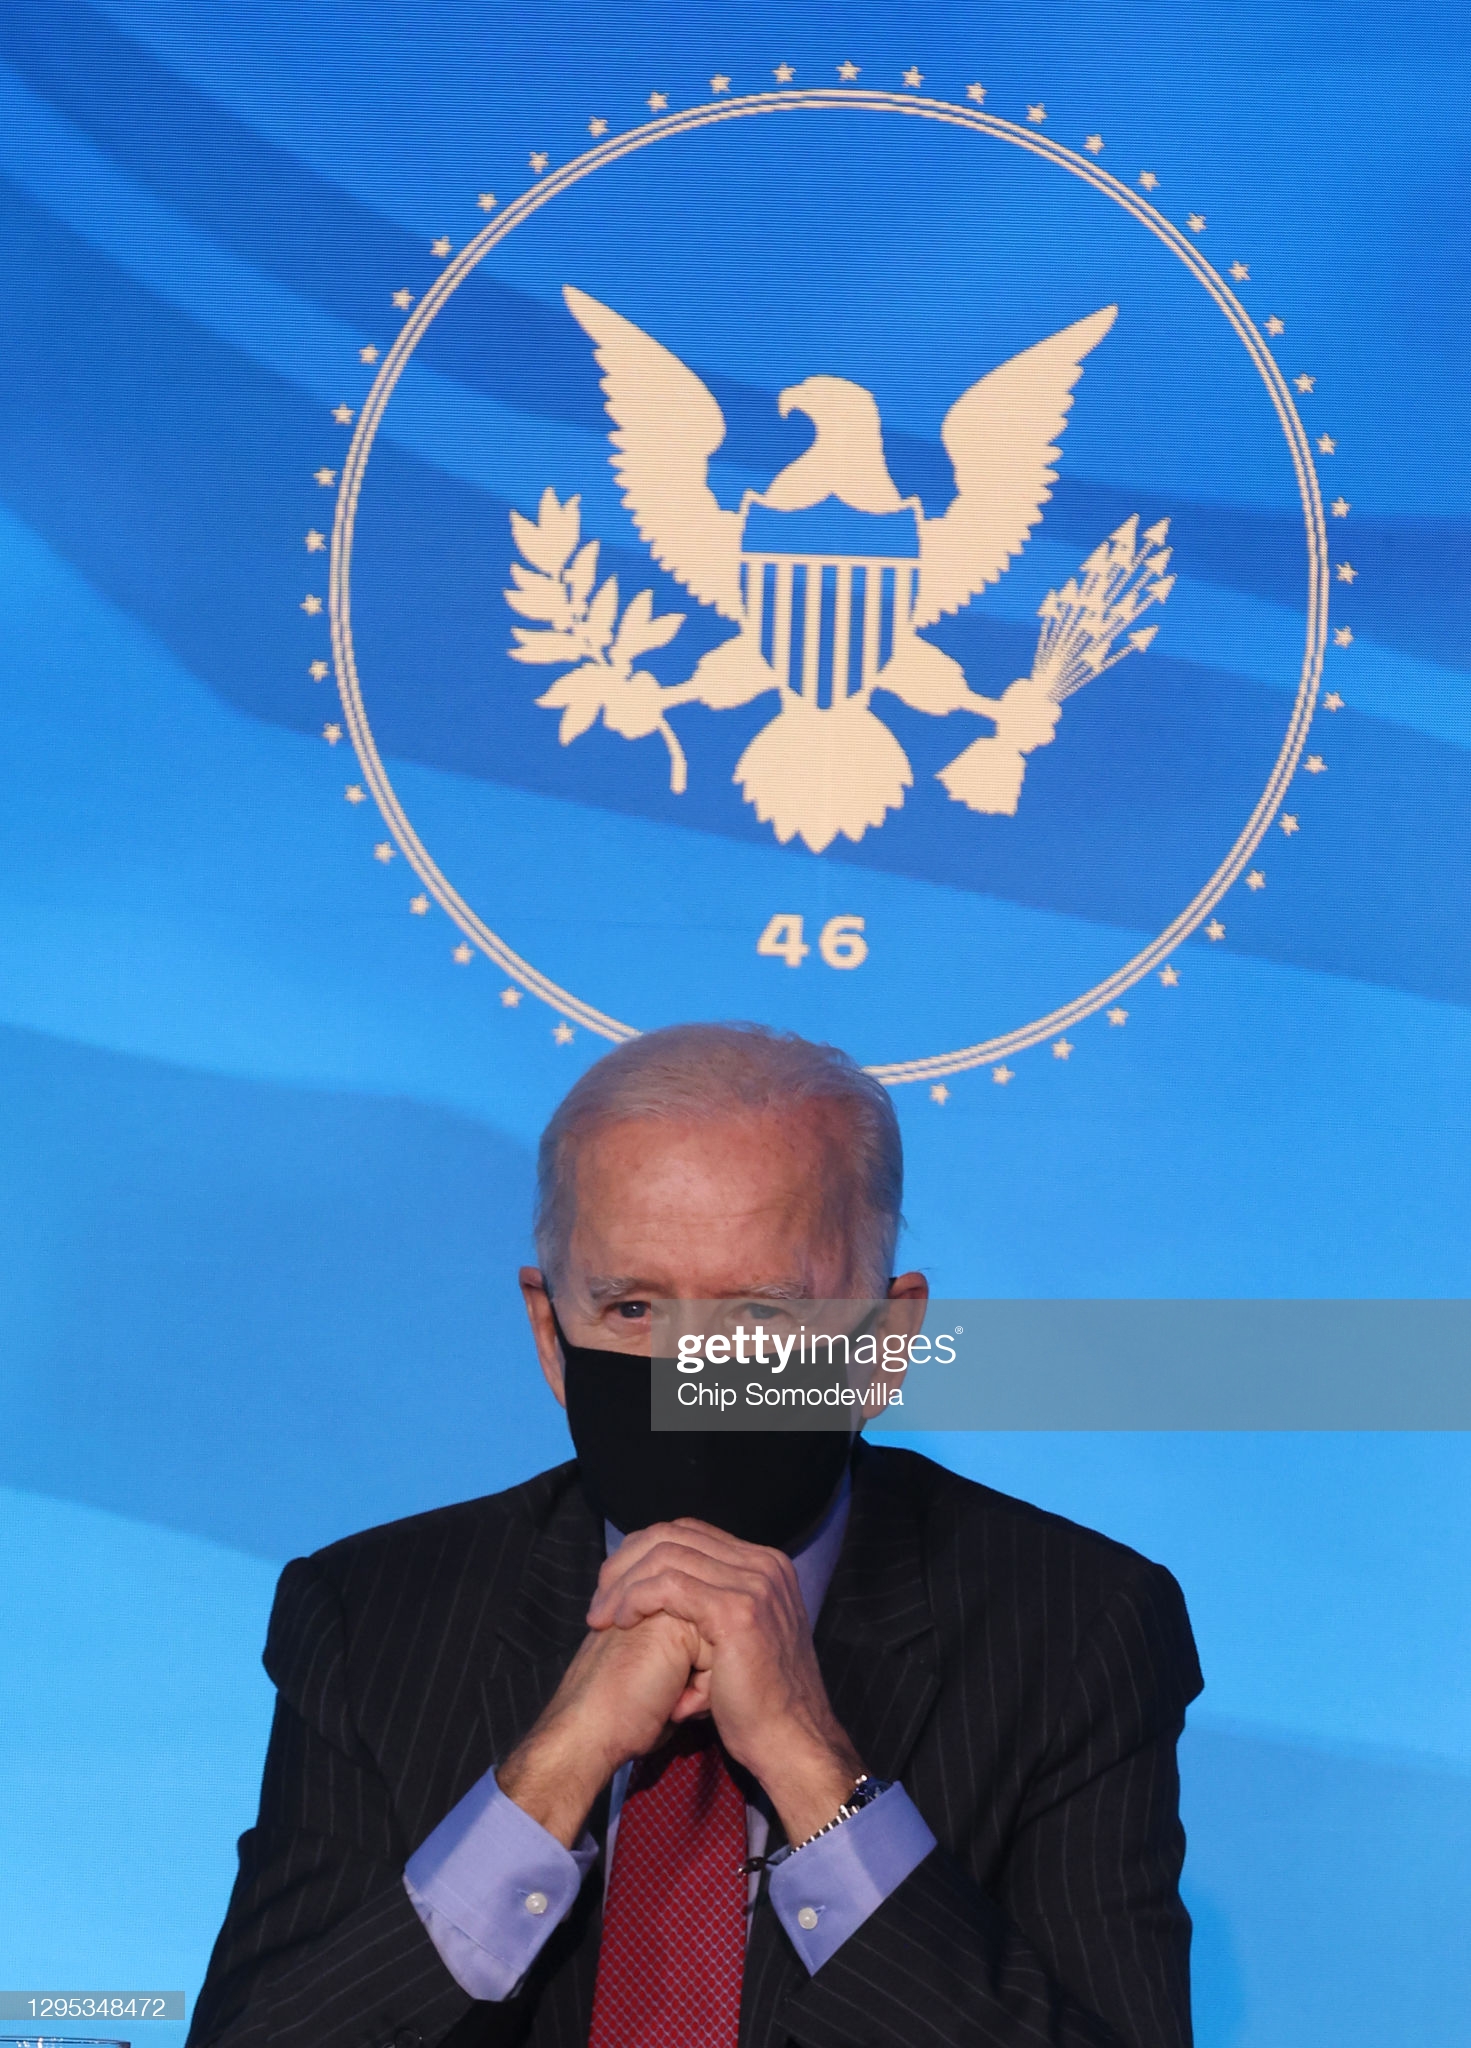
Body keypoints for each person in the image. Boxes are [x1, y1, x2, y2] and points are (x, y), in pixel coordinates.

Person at [188, 1023, 1202, 2048]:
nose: (689, 1374)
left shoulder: (1077, 1627)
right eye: (632, 1305)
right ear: (551, 1335)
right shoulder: (375, 1619)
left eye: (760, 1312)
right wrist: (548, 1775)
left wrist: (817, 1774)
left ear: (884, 1345)